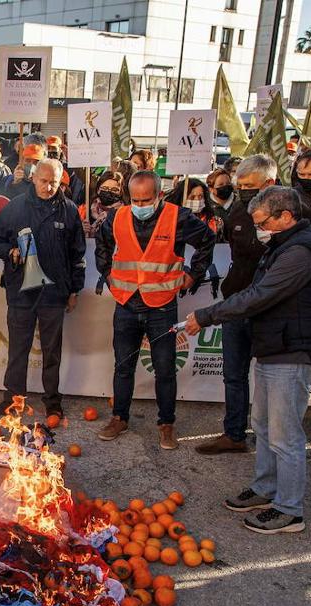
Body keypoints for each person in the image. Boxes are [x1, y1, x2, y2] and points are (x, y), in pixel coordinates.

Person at [183, 185, 311, 534]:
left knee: (286, 435)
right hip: (274, 346)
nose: (258, 230)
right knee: (265, 427)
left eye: (262, 222)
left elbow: (258, 296)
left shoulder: (300, 251)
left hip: (294, 351)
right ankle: (266, 488)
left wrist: (207, 316)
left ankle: (289, 509)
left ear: (285, 216)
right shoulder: (283, 243)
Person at [95, 170, 215, 449]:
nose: (140, 206)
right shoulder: (117, 217)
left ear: (159, 195)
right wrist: (108, 274)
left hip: (161, 306)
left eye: (146, 200)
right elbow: (102, 245)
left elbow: (207, 241)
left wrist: (194, 274)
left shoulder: (179, 217)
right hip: (126, 302)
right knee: (123, 366)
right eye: (135, 200)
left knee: (165, 369)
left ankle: (166, 424)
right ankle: (119, 418)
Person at [0, 158, 86, 417]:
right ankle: (13, 399)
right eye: (44, 180)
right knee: (18, 348)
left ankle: (52, 401)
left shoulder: (70, 210)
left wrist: (74, 290)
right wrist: (10, 251)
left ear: (61, 180)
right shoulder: (15, 207)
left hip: (55, 293)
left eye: (54, 182)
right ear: (33, 178)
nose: (49, 186)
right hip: (21, 292)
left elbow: (78, 255)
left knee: (52, 351)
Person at [81, 171, 125, 239]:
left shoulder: (124, 213)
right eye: (104, 188)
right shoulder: (86, 210)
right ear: (98, 189)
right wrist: (81, 230)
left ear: (120, 192)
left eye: (114, 190)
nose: (108, 192)